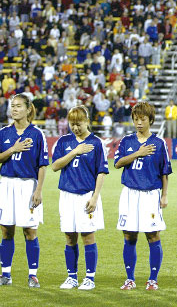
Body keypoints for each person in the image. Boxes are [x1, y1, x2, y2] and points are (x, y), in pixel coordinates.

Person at [114, 101, 172, 291]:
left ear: (150, 120)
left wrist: (164, 195)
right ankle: (129, 279)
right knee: (129, 235)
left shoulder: (159, 143)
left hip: (150, 194)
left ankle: (152, 279)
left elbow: (165, 172)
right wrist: (138, 154)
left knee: (152, 235)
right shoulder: (127, 141)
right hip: (129, 193)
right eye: (136, 119)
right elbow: (117, 163)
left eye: (143, 119)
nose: (139, 123)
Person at [51, 106, 108, 290]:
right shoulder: (64, 141)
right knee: (69, 237)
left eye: (79, 124)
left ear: (87, 121)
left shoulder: (97, 143)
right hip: (67, 195)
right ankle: (72, 277)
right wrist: (75, 151)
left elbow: (101, 172)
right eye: (72, 124)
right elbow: (55, 166)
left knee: (88, 236)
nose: (75, 128)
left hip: (86, 195)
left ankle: (89, 278)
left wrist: (95, 197)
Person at [0, 94, 48, 288]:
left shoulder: (37, 134)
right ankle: (5, 274)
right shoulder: (4, 133)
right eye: (12, 106)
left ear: (28, 109)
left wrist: (39, 190)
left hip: (28, 185)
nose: (14, 109)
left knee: (30, 230)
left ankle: (33, 275)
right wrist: (13, 149)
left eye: (18, 106)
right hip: (6, 184)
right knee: (6, 230)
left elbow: (43, 165)